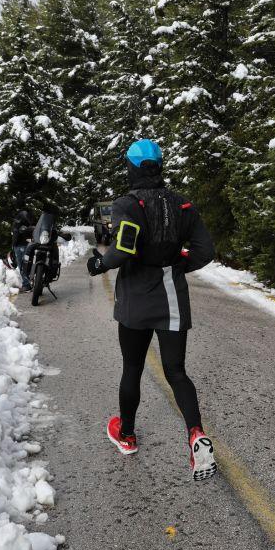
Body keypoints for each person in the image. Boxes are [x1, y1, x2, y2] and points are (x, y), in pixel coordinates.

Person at [86, 139, 218, 481]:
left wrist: (100, 264)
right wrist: (176, 265)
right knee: (176, 371)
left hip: (135, 301)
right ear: (159, 166)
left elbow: (123, 250)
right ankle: (195, 434)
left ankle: (127, 435)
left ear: (130, 168)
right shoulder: (182, 205)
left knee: (132, 367)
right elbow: (205, 251)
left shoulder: (127, 204)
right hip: (172, 297)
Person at [13, 205, 62, 292]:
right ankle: (28, 283)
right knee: (24, 263)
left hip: (23, 242)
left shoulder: (25, 214)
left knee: (24, 262)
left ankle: (27, 284)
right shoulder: (23, 214)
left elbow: (38, 226)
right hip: (20, 242)